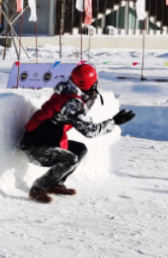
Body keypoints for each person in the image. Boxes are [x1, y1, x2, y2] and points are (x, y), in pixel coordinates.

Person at [19, 63, 134, 204]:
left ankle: (55, 183)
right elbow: (90, 131)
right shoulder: (72, 103)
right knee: (70, 158)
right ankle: (38, 188)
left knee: (79, 149)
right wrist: (114, 122)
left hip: (45, 141)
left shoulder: (69, 93)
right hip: (34, 148)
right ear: (91, 84)